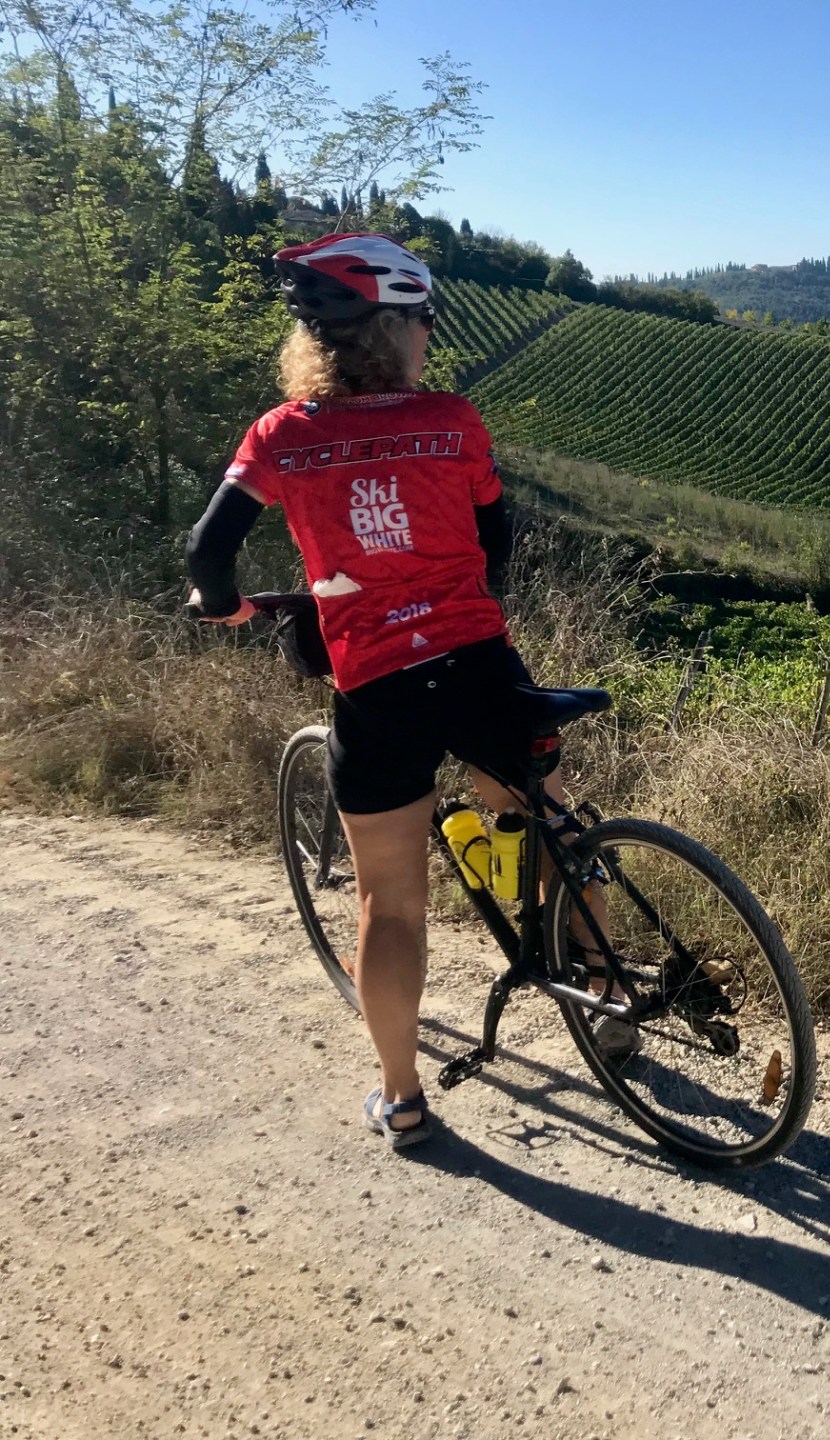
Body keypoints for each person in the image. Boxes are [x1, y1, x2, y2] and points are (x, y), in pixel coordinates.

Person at [186, 232, 538, 1150]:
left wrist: (223, 607)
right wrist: (456, 595)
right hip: (478, 659)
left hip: (379, 682)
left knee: (391, 897)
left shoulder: (281, 435)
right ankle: (610, 993)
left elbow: (207, 554)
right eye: (422, 320)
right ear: (392, 327)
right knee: (546, 818)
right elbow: (496, 543)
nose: (428, 335)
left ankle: (403, 1099)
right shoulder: (455, 422)